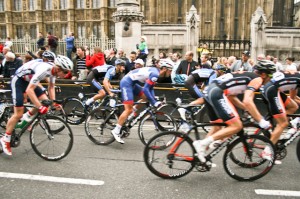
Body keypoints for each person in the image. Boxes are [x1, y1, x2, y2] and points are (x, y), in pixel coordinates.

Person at [193, 61, 274, 163]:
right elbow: (248, 100)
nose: (271, 78)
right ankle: (202, 143)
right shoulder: (257, 79)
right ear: (263, 74)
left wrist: (245, 108)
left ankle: (201, 155)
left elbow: (232, 97)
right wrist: (261, 121)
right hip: (217, 92)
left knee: (217, 127)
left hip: (210, 91)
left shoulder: (247, 76)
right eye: (271, 75)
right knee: (236, 126)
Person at [0, 53, 73, 156]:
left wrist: (54, 103)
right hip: (19, 81)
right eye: (65, 72)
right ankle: (5, 139)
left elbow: (51, 87)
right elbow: (30, 90)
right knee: (18, 113)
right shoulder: (44, 70)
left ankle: (27, 117)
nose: (66, 75)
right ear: (58, 68)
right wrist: (39, 107)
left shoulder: (53, 72)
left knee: (46, 102)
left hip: (29, 80)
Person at [111, 61, 162, 144]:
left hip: (133, 83)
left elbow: (150, 88)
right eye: (170, 71)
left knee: (146, 98)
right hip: (126, 83)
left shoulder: (155, 71)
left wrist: (153, 99)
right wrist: (154, 102)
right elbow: (145, 89)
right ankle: (116, 130)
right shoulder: (155, 74)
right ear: (165, 69)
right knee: (128, 109)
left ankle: (134, 109)